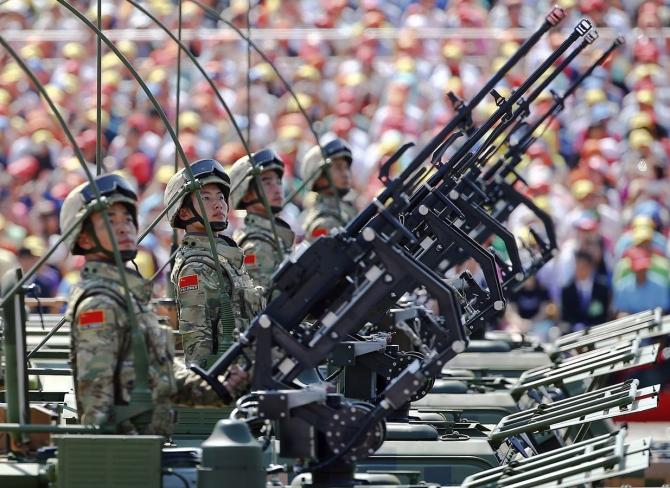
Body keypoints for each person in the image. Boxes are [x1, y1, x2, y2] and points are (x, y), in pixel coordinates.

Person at [61, 173, 240, 436]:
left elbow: (161, 375)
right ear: (85, 239)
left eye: (127, 219)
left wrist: (221, 388)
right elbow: (98, 411)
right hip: (130, 459)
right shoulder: (99, 305)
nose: (124, 228)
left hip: (149, 447)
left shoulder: (126, 296)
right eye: (110, 222)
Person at [165, 159, 264, 368]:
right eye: (206, 198)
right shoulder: (195, 266)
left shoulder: (226, 256)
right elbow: (197, 344)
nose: (218, 204)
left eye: (221, 197)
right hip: (230, 377)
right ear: (184, 212)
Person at [229, 149, 294, 294]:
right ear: (246, 195)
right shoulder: (256, 244)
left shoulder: (271, 235)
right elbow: (262, 303)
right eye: (267, 183)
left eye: (278, 182)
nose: (277, 189)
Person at [299, 138, 357, 241]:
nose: (346, 174)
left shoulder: (344, 209)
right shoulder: (324, 223)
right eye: (338, 168)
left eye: (347, 167)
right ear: (319, 178)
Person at [560, 250, 611, 331]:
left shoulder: (602, 288)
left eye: (583, 266)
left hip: (598, 331)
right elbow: (565, 317)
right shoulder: (567, 290)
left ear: (590, 267)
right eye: (577, 266)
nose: (579, 270)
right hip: (574, 334)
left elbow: (605, 314)